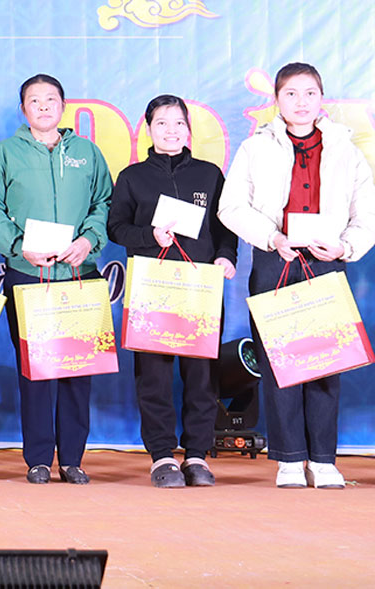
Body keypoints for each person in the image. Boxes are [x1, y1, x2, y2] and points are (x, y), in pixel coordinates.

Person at [219, 62, 375, 488]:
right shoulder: (256, 147)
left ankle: (323, 459)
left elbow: (367, 211)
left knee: (326, 360)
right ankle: (289, 458)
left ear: (321, 98)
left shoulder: (345, 150)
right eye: (291, 94)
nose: (301, 102)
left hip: (325, 259)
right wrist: (271, 237)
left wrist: (345, 246)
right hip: (277, 258)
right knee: (279, 361)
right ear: (277, 100)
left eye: (309, 93)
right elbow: (231, 206)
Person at [0, 74, 112, 485]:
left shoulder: (87, 152)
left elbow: (104, 202)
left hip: (79, 274)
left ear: (63, 105)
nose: (43, 107)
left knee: (77, 372)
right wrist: (19, 246)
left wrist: (89, 240)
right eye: (34, 100)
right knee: (34, 371)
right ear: (23, 109)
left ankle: (72, 459)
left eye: (50, 99)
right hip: (28, 274)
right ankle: (37, 458)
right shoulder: (5, 153)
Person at [108, 95, 237, 488]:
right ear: (148, 128)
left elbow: (224, 227)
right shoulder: (132, 177)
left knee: (202, 377)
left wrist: (226, 255)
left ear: (188, 129)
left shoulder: (209, 174)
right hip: (153, 289)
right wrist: (150, 235)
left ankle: (197, 455)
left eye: (179, 122)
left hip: (200, 289)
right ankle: (162, 456)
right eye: (162, 123)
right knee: (154, 377)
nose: (171, 130)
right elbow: (116, 228)